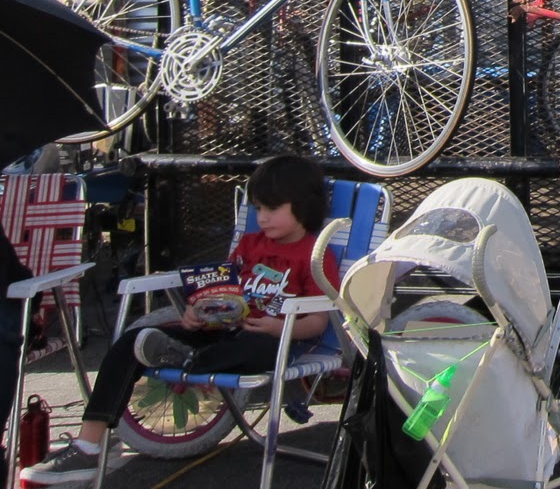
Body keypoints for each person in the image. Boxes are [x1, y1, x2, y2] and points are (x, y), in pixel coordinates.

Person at [20, 155, 338, 485]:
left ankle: (186, 357)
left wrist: (278, 326)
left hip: (278, 340)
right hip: (223, 331)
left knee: (254, 346)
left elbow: (317, 322)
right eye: (258, 209)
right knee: (132, 342)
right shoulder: (249, 244)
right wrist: (200, 310)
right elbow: (223, 288)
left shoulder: (315, 254)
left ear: (303, 206)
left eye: (272, 208)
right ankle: (88, 445)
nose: (262, 218)